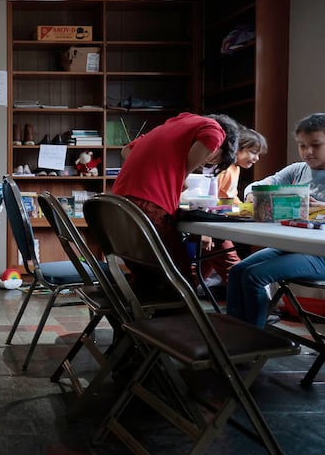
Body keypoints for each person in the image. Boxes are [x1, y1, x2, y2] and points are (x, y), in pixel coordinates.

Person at [111, 112, 239, 288]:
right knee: (178, 278)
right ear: (222, 145)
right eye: (214, 158)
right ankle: (179, 314)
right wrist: (182, 173)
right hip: (148, 205)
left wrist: (169, 172)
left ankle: (143, 313)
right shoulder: (213, 128)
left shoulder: (174, 124)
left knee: (146, 273)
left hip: (119, 205)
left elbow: (127, 150)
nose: (206, 163)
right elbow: (212, 138)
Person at [227, 113, 325, 328]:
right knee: (236, 272)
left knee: (254, 276)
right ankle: (234, 336)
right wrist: (253, 195)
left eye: (315, 145)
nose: (307, 152)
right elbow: (257, 186)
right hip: (292, 246)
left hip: (321, 254)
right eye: (302, 145)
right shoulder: (299, 169)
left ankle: (253, 342)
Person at [195, 127, 267, 290]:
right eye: (252, 152)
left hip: (219, 226)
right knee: (233, 268)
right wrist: (204, 232)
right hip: (213, 228)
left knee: (199, 270)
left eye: (258, 154)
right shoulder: (224, 169)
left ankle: (175, 297)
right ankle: (250, 309)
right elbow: (207, 201)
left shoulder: (235, 169)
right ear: (236, 148)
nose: (256, 158)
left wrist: (245, 210)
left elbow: (229, 198)